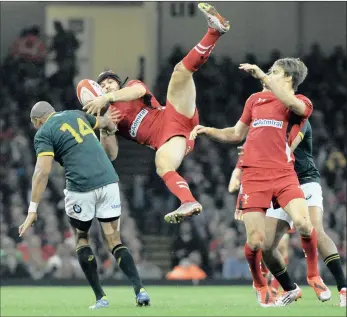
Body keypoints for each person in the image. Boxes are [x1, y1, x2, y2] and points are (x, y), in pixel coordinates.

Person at [190, 58, 328, 307]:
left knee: (304, 224)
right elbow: (235, 133)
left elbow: (290, 101)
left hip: (284, 174)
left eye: (274, 72)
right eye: (268, 72)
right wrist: (208, 130)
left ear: (288, 78)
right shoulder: (254, 100)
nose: (268, 75)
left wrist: (263, 78)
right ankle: (260, 284)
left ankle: (313, 275)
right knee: (257, 242)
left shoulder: (301, 103)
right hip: (254, 176)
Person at [83, 3, 230, 223]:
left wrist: (108, 97)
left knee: (181, 71)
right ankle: (189, 201)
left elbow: (139, 90)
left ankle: (214, 31)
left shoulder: (128, 88)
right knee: (163, 166)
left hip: (173, 115)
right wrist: (106, 129)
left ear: (118, 83)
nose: (107, 86)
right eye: (102, 86)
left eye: (110, 82)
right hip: (167, 139)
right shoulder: (107, 118)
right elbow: (111, 155)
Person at [19, 101, 150, 309]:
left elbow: (42, 172)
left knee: (81, 238)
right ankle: (140, 290)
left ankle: (101, 298)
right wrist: (111, 125)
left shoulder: (43, 133)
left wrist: (32, 210)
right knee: (114, 239)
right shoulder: (76, 114)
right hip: (108, 181)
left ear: (38, 120)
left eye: (35, 124)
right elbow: (106, 123)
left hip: (81, 187)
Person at [231, 121, 347, 308]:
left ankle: (343, 288)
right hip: (278, 183)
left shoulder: (300, 118)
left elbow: (287, 147)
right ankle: (290, 288)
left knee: (314, 229)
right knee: (266, 245)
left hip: (304, 180)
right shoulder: (268, 120)